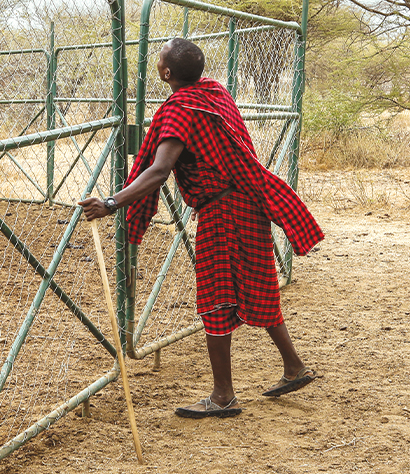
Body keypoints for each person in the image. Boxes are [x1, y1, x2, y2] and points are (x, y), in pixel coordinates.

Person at [79, 37, 324, 418]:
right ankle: (293, 367)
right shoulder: (215, 93)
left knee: (216, 298)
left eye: (159, 60)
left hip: (222, 212)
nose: (157, 62)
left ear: (166, 73)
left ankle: (223, 395)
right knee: (257, 283)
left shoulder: (181, 111)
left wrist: (112, 203)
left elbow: (159, 171)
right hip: (248, 201)